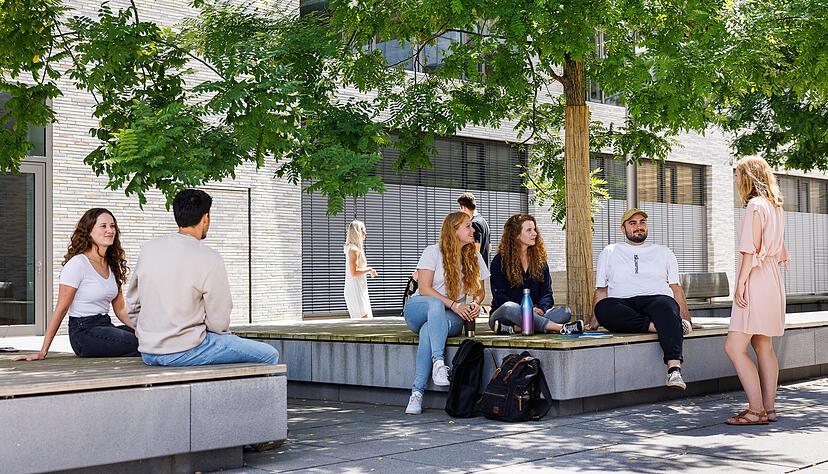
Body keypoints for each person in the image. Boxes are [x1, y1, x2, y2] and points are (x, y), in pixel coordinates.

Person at [126, 189, 279, 366]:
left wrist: (148, 334)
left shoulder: (148, 249)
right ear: (205, 217)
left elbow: (133, 303)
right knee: (269, 355)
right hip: (186, 350)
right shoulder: (210, 258)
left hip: (148, 351)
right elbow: (219, 321)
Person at [587, 208, 694, 389]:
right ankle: (663, 326)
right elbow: (601, 290)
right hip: (623, 304)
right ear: (623, 229)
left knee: (666, 306)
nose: (639, 227)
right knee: (604, 308)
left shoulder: (663, 251)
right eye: (633, 223)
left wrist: (686, 319)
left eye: (642, 223)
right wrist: (593, 323)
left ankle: (674, 370)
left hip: (657, 300)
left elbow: (675, 288)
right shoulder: (610, 251)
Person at [15, 208, 139, 360]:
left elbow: (120, 310)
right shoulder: (78, 264)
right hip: (84, 333)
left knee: (152, 336)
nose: (110, 230)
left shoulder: (111, 265)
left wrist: (139, 328)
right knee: (146, 342)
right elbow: (61, 309)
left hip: (105, 327)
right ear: (88, 231)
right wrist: (43, 351)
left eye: (112, 226)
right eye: (103, 226)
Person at [724, 157, 789, 425]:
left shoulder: (754, 205)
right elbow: (778, 249)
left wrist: (740, 283)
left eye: (737, 173)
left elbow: (749, 251)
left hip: (755, 278)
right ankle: (769, 409)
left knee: (733, 346)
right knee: (763, 344)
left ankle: (755, 410)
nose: (735, 179)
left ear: (748, 176)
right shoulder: (775, 206)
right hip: (772, 279)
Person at [403, 211, 489, 414]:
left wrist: (475, 304)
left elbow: (480, 291)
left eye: (472, 226)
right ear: (454, 230)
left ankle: (416, 394)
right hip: (420, 308)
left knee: (428, 332)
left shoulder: (474, 256)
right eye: (467, 226)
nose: (473, 229)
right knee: (434, 305)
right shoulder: (433, 252)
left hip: (449, 316)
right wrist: (454, 305)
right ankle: (438, 362)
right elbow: (424, 289)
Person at [488, 214, 583, 335]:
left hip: (534, 314)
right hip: (505, 316)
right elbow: (500, 297)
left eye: (534, 229)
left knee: (565, 311)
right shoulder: (499, 261)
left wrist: (541, 309)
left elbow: (547, 294)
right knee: (509, 307)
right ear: (516, 235)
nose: (535, 234)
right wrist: (526, 310)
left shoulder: (540, 261)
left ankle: (517, 329)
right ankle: (560, 328)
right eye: (529, 230)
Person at [344, 220, 377, 319]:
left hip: (359, 287)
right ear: (358, 232)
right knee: (364, 320)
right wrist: (369, 269)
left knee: (364, 320)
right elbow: (354, 272)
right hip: (355, 289)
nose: (365, 233)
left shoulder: (354, 249)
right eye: (363, 230)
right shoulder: (353, 250)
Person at [457, 192, 491, 268]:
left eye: (460, 208)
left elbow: (476, 250)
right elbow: (489, 248)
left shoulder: (474, 224)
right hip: (484, 270)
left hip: (476, 272)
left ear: (464, 208)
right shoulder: (484, 222)